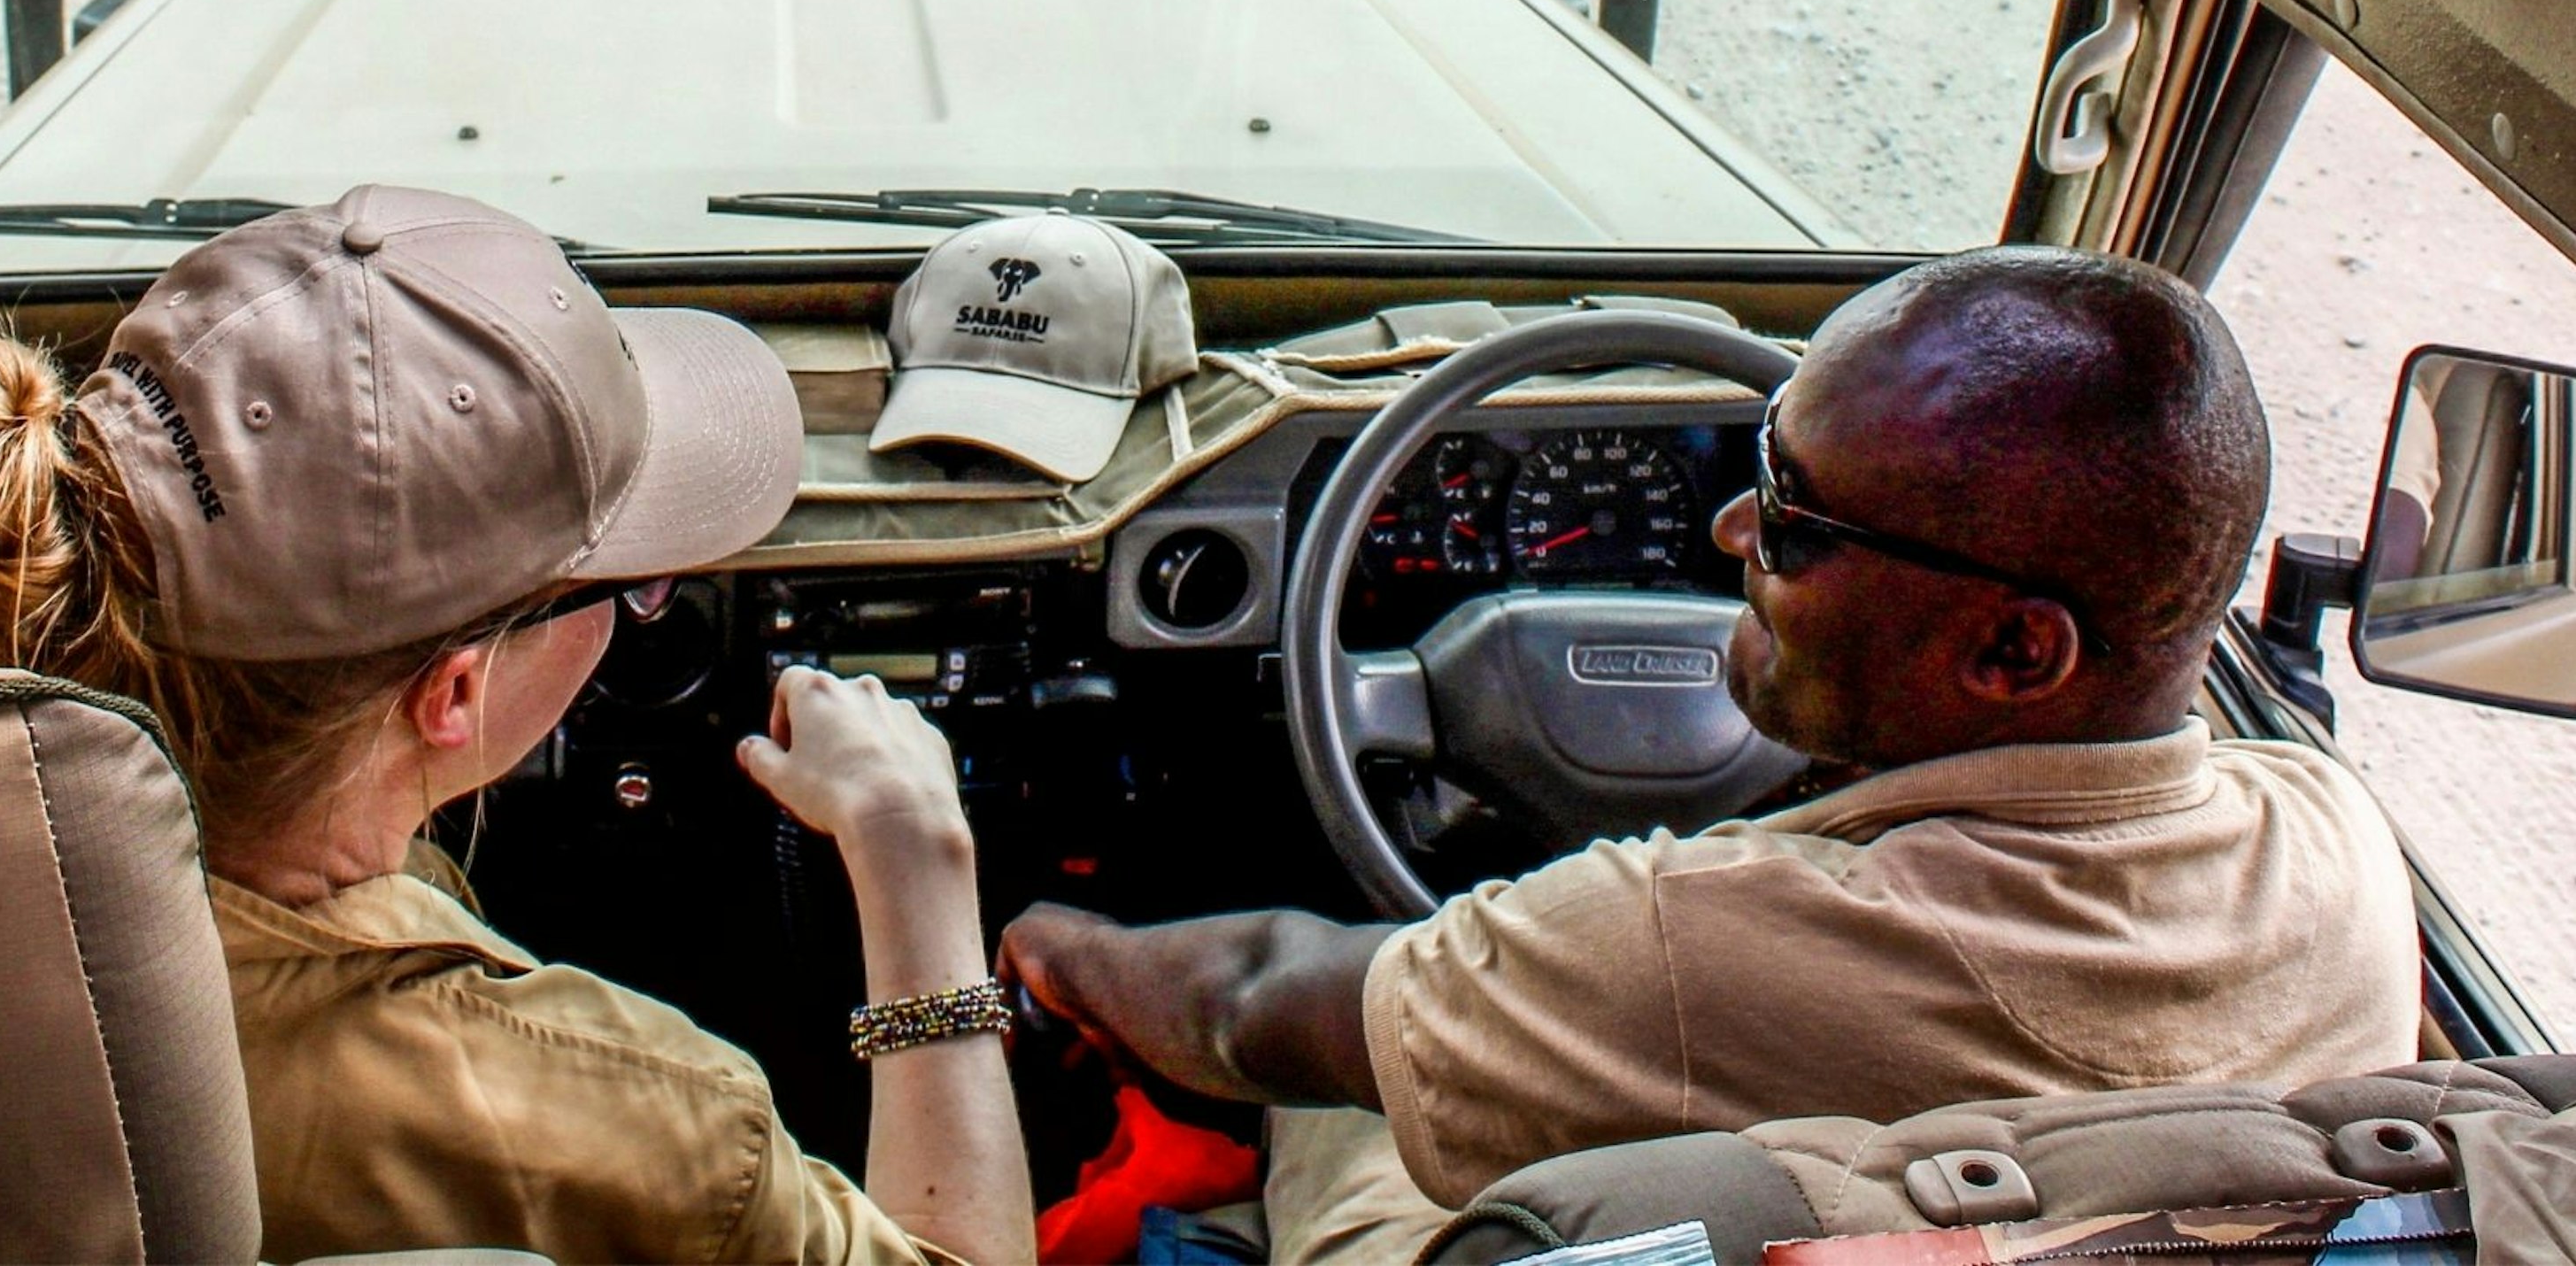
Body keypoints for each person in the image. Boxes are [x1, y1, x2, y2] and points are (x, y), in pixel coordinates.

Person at [998, 245, 2421, 1262]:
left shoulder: (1680, 944)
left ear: (2013, 654)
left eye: (1796, 520)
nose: (1734, 536)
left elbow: (1253, 1001)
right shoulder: (2336, 828)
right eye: (1755, 470)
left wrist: (1044, 938)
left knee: (1341, 1101)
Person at [0, 185, 1032, 1266]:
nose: (637, 609)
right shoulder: (647, 1127)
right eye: (630, 585)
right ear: (453, 693)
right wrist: (913, 855)